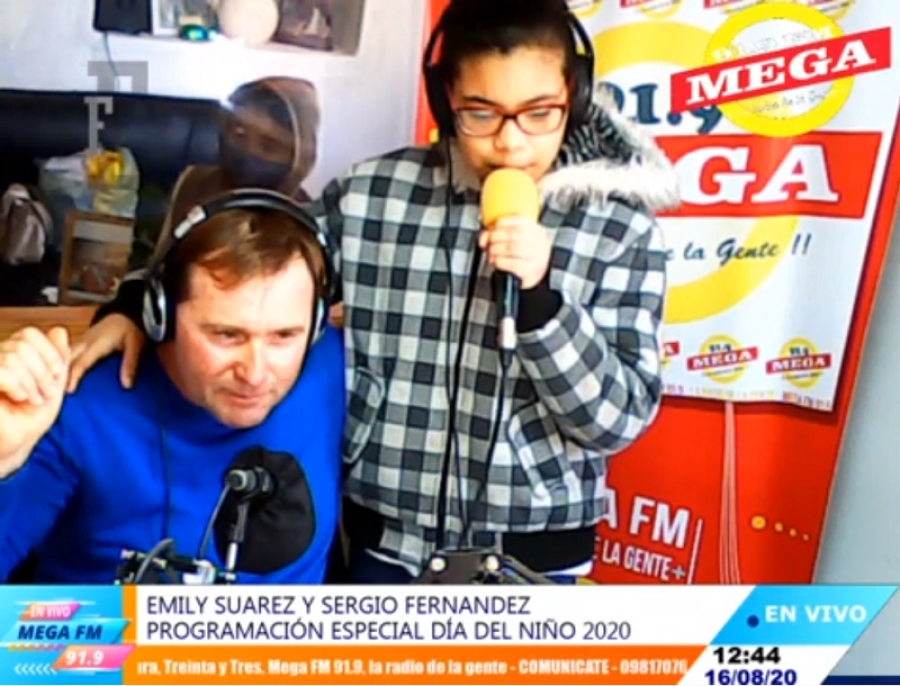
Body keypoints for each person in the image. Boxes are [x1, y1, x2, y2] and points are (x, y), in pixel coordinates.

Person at [68, 0, 679, 584]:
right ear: (446, 98)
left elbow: (616, 422)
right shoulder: (369, 196)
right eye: (481, 113)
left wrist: (542, 301)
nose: (511, 143)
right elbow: (241, 270)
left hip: (533, 563)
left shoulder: (620, 228)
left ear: (574, 96)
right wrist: (130, 307)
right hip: (379, 550)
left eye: (540, 113)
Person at [0, 192, 345, 584]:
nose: (255, 373)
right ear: (161, 316)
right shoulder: (82, 409)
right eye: (226, 335)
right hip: (106, 626)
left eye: (283, 336)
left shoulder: (333, 368)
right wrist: (3, 458)